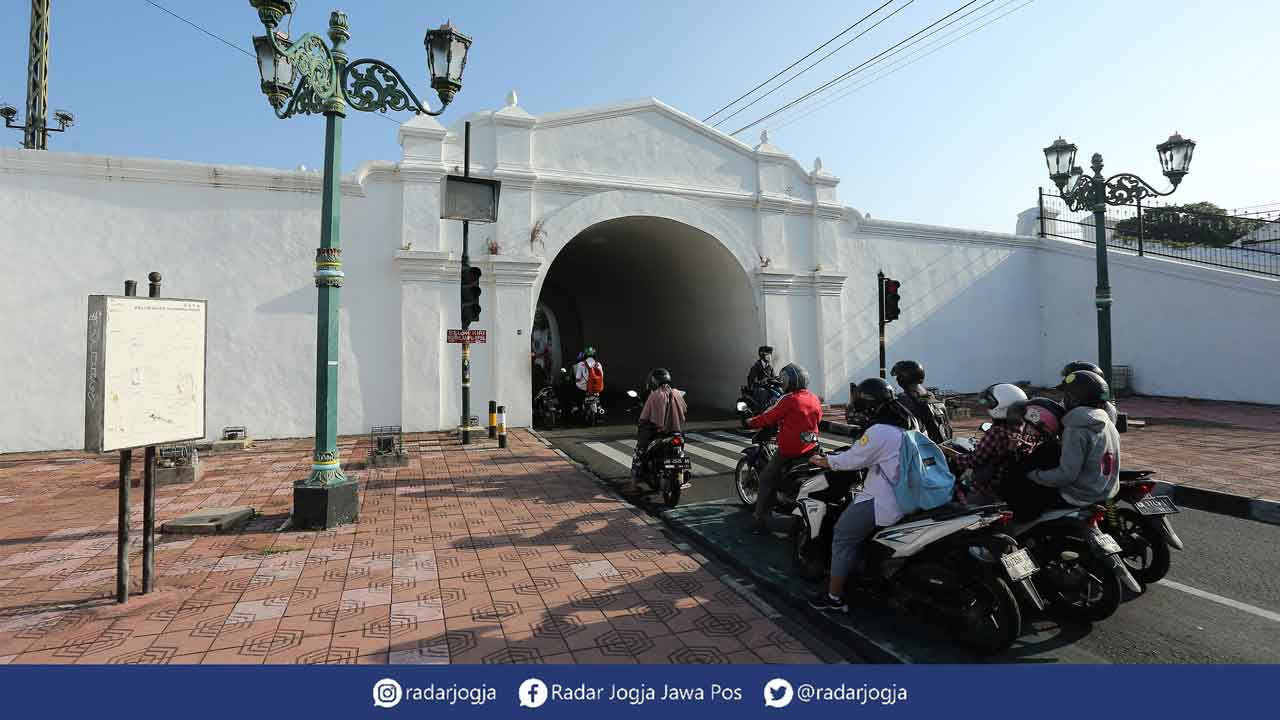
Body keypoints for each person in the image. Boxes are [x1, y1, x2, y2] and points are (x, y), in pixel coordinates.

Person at [806, 377, 914, 613]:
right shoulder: (908, 423)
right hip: (913, 496)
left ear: (868, 404)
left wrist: (824, 460)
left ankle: (833, 597)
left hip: (885, 499)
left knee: (843, 534)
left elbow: (852, 460)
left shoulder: (879, 431)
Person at [1006, 370, 1121, 517]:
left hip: (1078, 496)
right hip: (1104, 491)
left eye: (1065, 395)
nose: (1063, 400)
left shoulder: (1076, 427)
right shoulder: (1105, 421)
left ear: (1074, 398)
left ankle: (1023, 531)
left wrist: (1033, 474)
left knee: (1020, 489)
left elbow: (1066, 475)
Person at [744, 364, 822, 534]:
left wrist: (750, 422)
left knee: (765, 478)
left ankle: (758, 517)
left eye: (784, 379)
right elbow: (818, 418)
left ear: (790, 381)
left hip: (790, 450)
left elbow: (769, 417)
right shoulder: (814, 398)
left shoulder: (789, 399)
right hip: (812, 447)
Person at [941, 383, 1027, 504]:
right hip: (1011, 480)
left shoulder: (996, 432)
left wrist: (947, 451)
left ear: (1001, 406)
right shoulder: (1024, 428)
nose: (987, 407)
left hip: (991, 488)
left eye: (990, 403)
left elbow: (972, 461)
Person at [631, 368, 689, 480]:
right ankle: (681, 476)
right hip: (676, 432)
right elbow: (684, 409)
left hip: (658, 432)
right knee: (681, 449)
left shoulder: (655, 395)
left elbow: (644, 416)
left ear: (653, 381)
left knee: (640, 450)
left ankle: (634, 482)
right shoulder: (677, 393)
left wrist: (642, 423)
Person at [891, 360, 953, 443]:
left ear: (901, 379)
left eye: (898, 377)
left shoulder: (903, 401)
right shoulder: (933, 399)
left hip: (923, 451)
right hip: (945, 448)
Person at [747, 346, 779, 410]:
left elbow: (773, 377)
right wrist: (764, 381)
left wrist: (779, 379)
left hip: (768, 387)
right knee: (763, 392)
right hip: (758, 388)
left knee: (778, 392)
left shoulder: (770, 367)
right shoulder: (756, 366)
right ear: (762, 355)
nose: (770, 357)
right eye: (767, 355)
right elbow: (752, 381)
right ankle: (762, 411)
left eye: (770, 355)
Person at [573, 346, 604, 411]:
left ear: (585, 355)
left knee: (576, 391)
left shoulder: (581, 364)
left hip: (584, 389)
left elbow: (578, 378)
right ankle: (599, 407)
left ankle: (577, 407)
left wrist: (577, 381)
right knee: (598, 397)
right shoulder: (598, 364)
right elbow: (602, 376)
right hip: (596, 388)